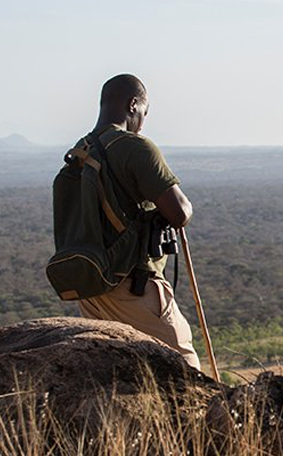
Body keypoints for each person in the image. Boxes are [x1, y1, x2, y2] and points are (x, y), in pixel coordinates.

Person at [73, 74, 200, 369]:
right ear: (133, 105)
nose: (142, 121)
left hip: (91, 286)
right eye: (144, 111)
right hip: (133, 284)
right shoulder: (135, 147)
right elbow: (180, 213)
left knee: (119, 371)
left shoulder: (79, 151)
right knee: (184, 367)